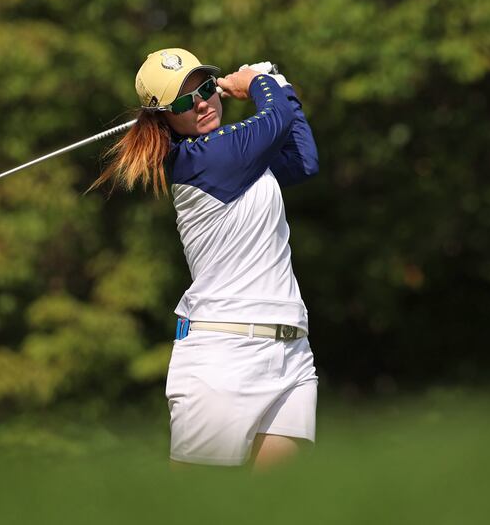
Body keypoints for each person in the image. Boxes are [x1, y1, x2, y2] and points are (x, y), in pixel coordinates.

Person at [91, 48, 319, 469]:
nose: (201, 103)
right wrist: (254, 82)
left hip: (291, 352)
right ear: (163, 118)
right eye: (182, 101)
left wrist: (280, 84)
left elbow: (303, 162)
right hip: (222, 356)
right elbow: (276, 121)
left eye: (207, 88)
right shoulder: (202, 160)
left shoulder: (241, 161)